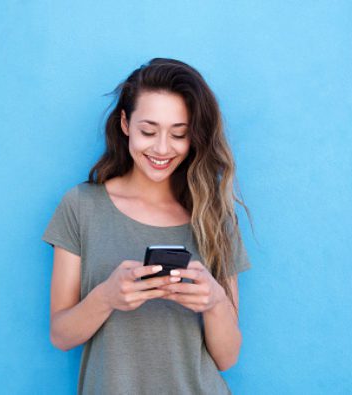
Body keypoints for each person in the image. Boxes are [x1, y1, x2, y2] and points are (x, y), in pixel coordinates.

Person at [42, 58, 253, 394]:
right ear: (125, 123)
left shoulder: (214, 217)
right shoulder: (81, 206)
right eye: (148, 131)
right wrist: (108, 297)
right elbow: (61, 335)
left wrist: (214, 301)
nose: (162, 148)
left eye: (179, 134)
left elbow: (227, 358)